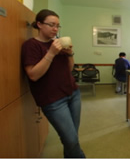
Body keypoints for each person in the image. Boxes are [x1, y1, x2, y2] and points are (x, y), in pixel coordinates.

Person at [21, 9, 85, 158]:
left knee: (71, 138)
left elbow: (69, 69)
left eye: (58, 26)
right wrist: (50, 53)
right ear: (39, 24)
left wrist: (69, 54)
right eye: (51, 25)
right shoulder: (31, 46)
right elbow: (33, 75)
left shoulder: (57, 43)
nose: (55, 29)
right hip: (53, 100)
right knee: (71, 139)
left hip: (73, 93)